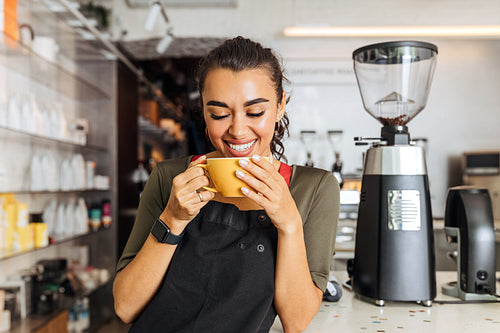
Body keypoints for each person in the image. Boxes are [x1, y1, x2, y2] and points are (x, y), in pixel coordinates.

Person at [113, 36, 339, 333]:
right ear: (204, 111)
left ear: (281, 105)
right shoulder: (171, 177)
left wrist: (289, 223)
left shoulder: (313, 188)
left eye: (255, 112)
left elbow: (296, 321)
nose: (237, 130)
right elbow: (126, 307)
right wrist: (173, 219)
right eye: (218, 114)